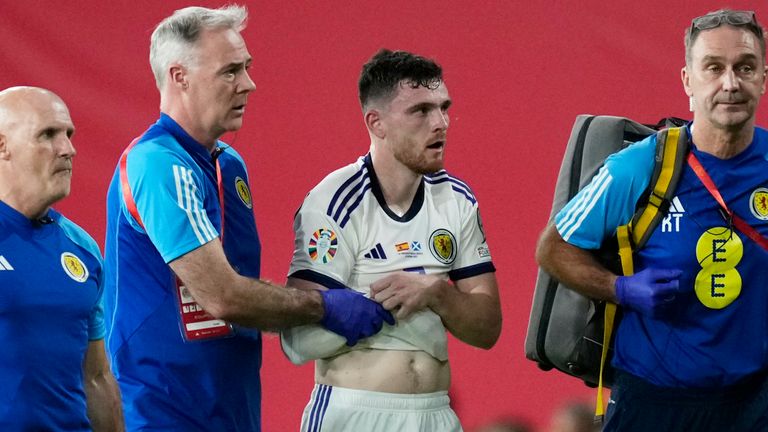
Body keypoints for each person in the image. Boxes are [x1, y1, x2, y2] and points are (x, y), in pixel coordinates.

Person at [103, 6, 391, 431]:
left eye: (248, 68)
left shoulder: (229, 164)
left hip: (234, 411)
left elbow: (241, 294)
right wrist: (324, 307)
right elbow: (223, 295)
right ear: (180, 76)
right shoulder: (157, 163)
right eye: (230, 71)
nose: (249, 84)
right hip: (163, 414)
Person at [536, 9, 768, 432]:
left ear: (763, 79)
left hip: (755, 401)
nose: (730, 83)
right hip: (654, 399)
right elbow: (553, 248)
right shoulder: (641, 166)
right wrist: (619, 288)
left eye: (745, 68)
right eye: (713, 68)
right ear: (687, 81)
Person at [281, 49, 502, 431]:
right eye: (420, 111)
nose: (441, 123)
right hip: (356, 414)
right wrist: (372, 307)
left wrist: (436, 292)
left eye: (443, 107)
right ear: (377, 123)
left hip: (436, 414)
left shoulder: (457, 199)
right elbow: (296, 340)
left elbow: (487, 330)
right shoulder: (334, 202)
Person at [0, 86, 123, 430]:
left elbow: (96, 377)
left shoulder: (81, 247)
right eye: (48, 134)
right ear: (2, 145)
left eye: (68, 134)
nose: (68, 149)